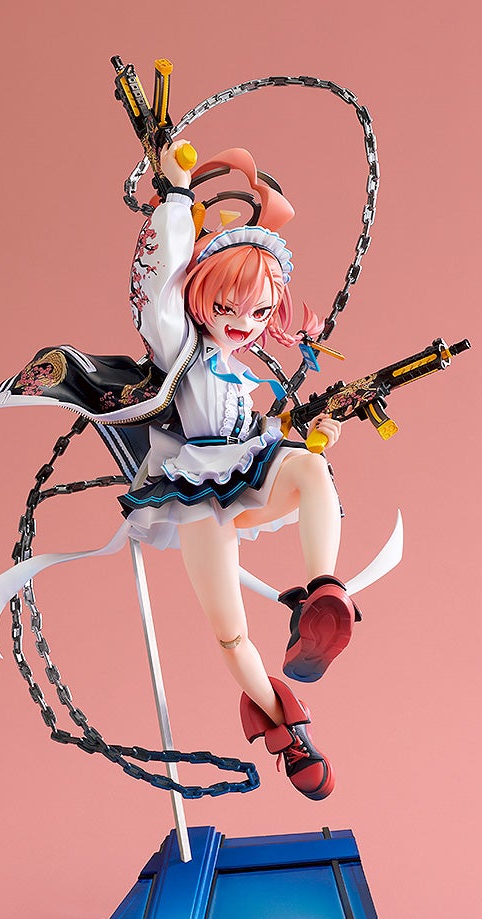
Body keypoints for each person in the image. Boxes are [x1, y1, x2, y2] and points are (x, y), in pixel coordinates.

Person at [117, 141, 360, 800]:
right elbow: (159, 294)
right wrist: (175, 194)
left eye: (256, 313)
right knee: (231, 635)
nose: (241, 325)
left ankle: (322, 594)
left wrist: (314, 431)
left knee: (311, 469)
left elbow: (261, 431)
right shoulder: (181, 346)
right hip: (195, 490)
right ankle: (289, 730)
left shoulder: (239, 370)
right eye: (226, 310)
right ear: (200, 300)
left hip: (245, 468)